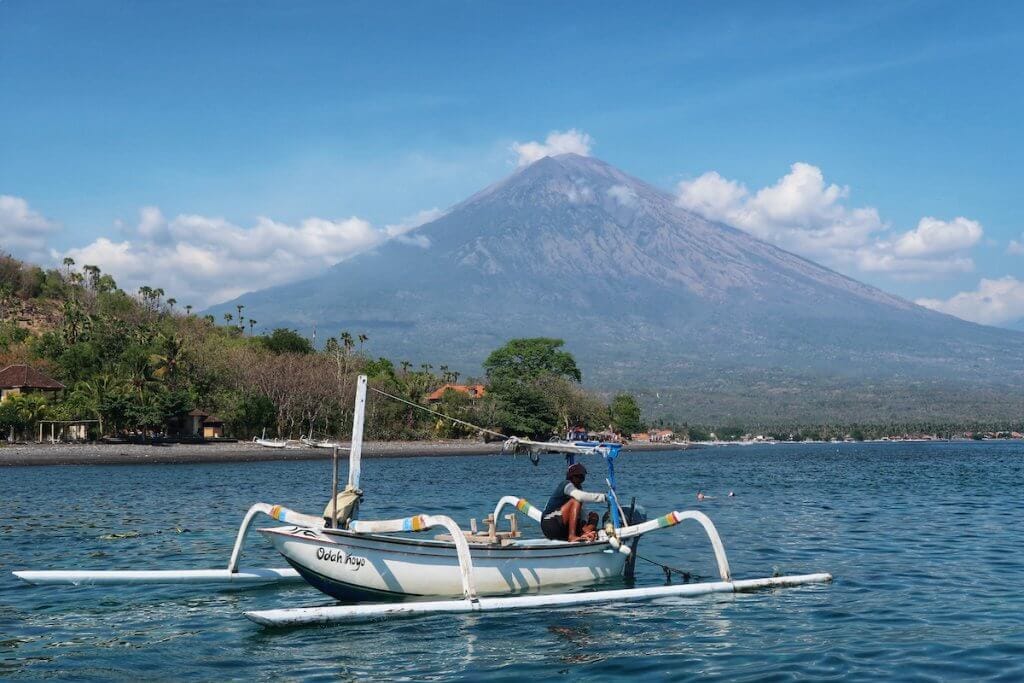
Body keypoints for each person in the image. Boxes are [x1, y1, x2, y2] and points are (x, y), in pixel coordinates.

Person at [541, 463, 605, 542]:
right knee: (576, 500)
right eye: (577, 476)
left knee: (594, 515)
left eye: (582, 477)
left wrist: (585, 526)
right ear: (570, 477)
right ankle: (572, 536)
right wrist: (604, 497)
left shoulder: (579, 488)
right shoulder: (566, 485)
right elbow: (579, 496)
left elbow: (584, 512)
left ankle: (585, 534)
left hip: (564, 528)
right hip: (551, 524)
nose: (580, 479)